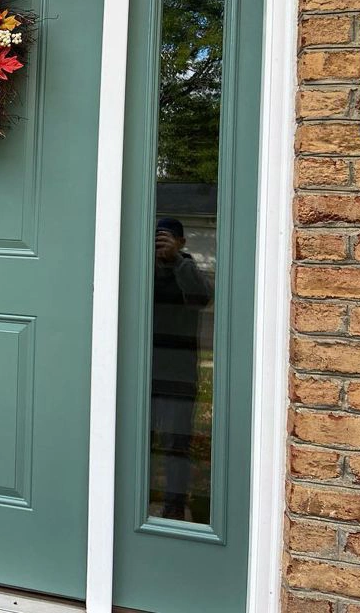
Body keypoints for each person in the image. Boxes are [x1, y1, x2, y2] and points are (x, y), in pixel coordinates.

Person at [151, 216, 212, 521]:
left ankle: (173, 507)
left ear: (182, 243)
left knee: (176, 444)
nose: (161, 244)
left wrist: (176, 261)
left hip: (179, 374)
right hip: (142, 373)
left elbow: (202, 297)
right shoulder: (143, 268)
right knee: (137, 441)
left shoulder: (187, 269)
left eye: (168, 238)